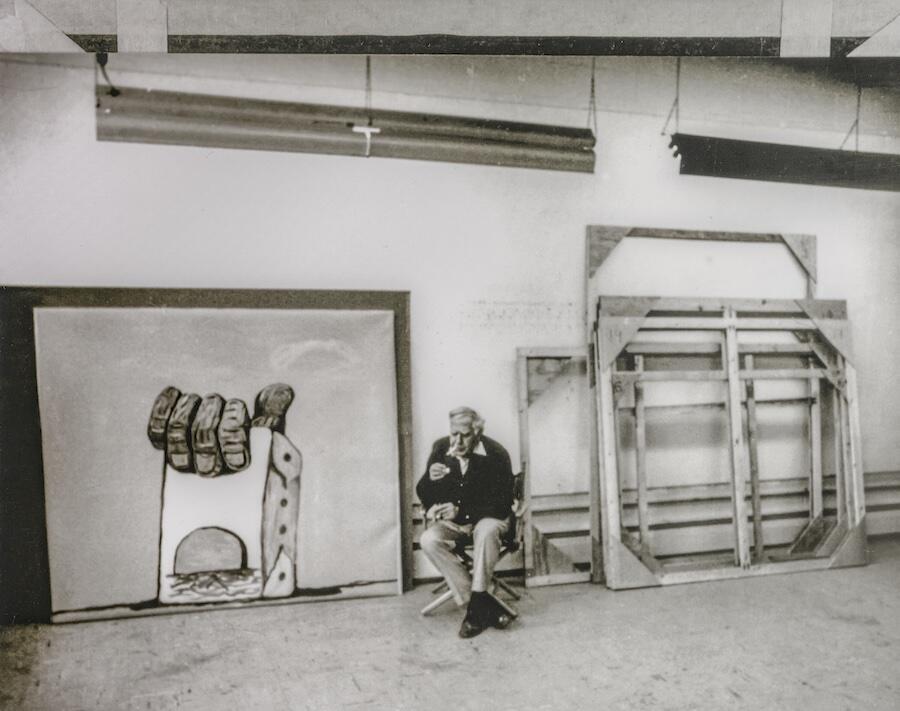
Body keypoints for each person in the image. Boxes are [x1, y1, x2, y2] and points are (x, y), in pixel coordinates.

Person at [416, 406, 515, 638]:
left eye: (465, 435)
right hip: (456, 524)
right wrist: (430, 480)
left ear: (477, 432)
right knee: (429, 539)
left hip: (490, 519)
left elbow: (502, 503)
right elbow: (423, 491)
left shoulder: (496, 454)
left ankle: (475, 612)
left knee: (487, 530)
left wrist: (461, 510)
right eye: (454, 434)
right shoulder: (441, 447)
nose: (457, 441)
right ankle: (480, 605)